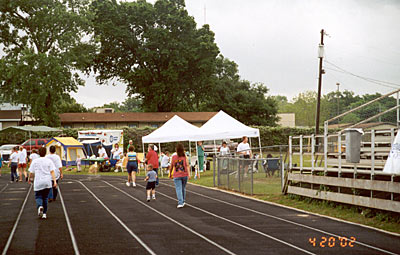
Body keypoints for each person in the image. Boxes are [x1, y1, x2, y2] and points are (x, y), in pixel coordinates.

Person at [28, 147, 57, 219]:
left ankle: (40, 206)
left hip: (38, 181)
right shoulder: (49, 161)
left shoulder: (35, 161)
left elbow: (31, 172)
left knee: (38, 196)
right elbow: (52, 171)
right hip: (47, 181)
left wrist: (29, 178)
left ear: (38, 153)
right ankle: (44, 213)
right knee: (45, 197)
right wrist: (55, 181)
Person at [170, 143, 190, 208]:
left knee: (178, 188)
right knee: (183, 188)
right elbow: (187, 165)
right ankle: (183, 201)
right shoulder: (185, 156)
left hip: (177, 175)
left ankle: (180, 202)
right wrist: (189, 174)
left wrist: (170, 173)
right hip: (184, 174)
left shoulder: (173, 157)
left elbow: (171, 166)